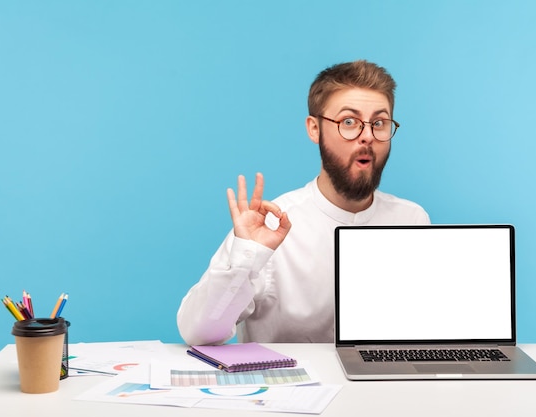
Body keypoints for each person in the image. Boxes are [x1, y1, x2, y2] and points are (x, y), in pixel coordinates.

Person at [177, 60, 430, 346]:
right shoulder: (272, 224)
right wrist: (246, 256)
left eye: (379, 123)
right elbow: (198, 333)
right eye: (349, 122)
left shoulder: (411, 220)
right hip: (290, 387)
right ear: (314, 129)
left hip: (384, 387)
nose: (368, 136)